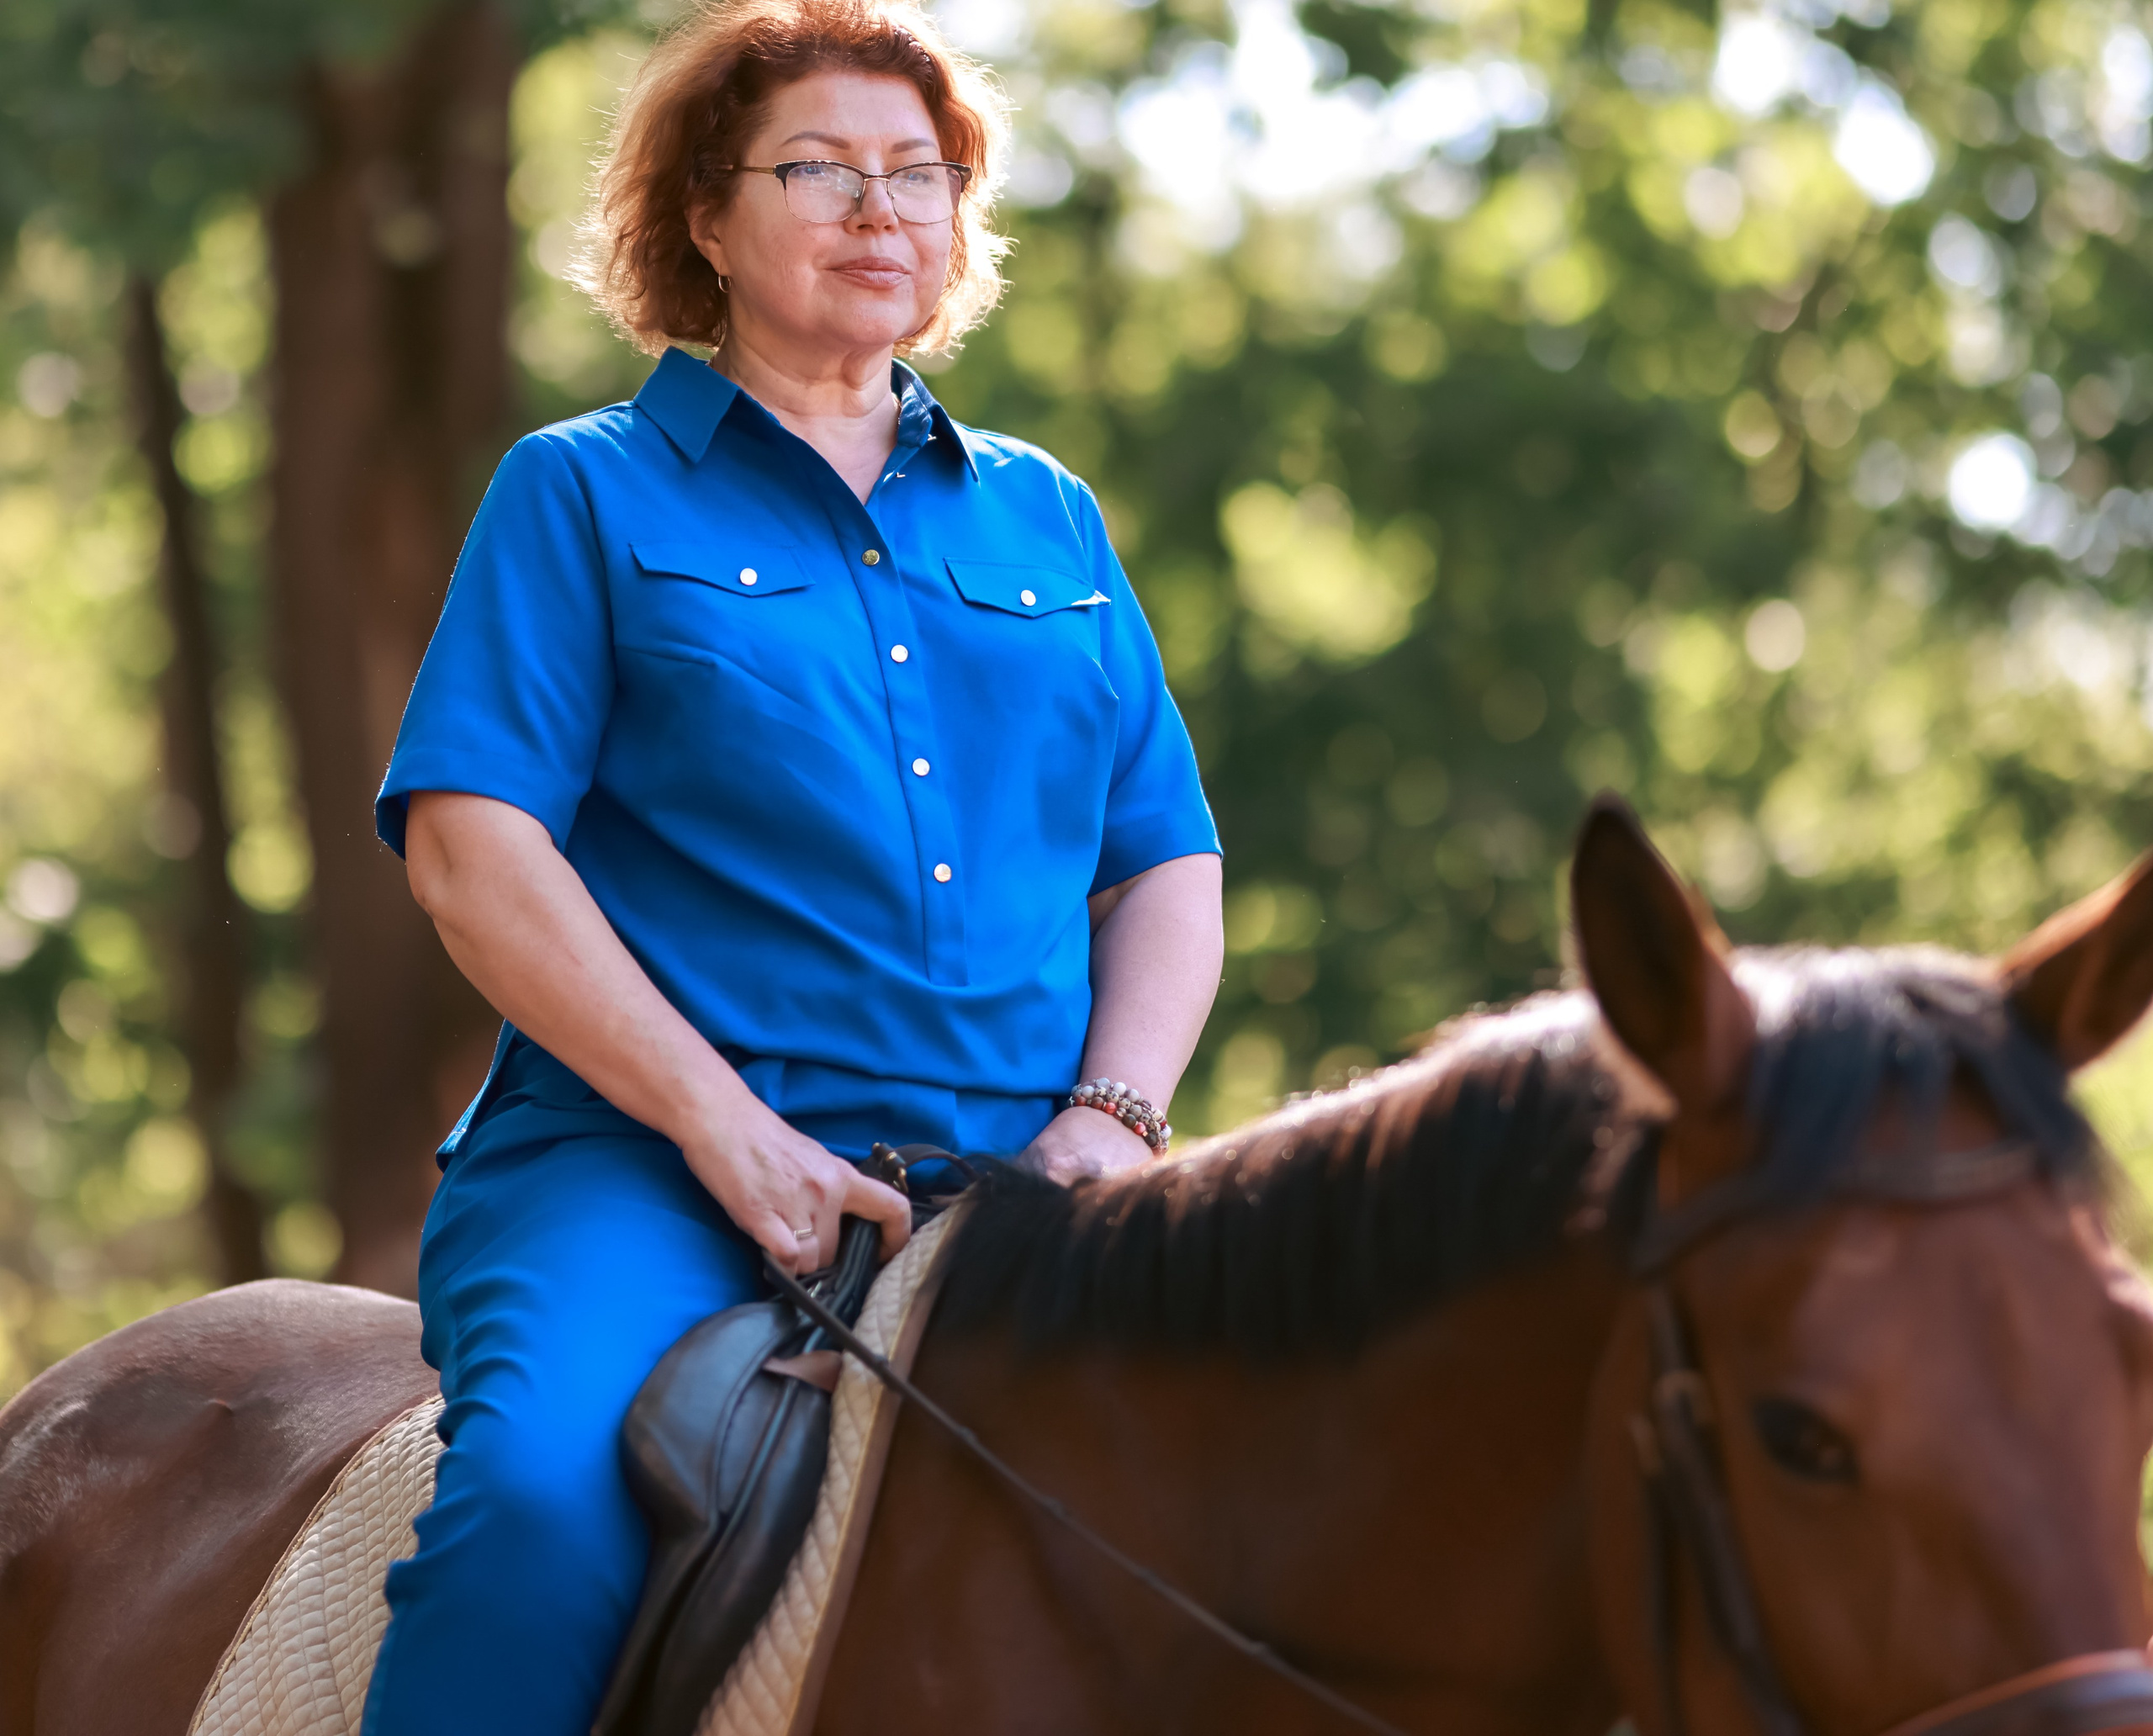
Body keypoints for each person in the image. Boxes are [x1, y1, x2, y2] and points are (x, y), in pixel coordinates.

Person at [358, 0, 1225, 1730]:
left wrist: (1110, 1125)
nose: (879, 212)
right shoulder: (581, 495)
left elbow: (1164, 868)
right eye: (818, 170)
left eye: (920, 174)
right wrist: (722, 1129)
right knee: (539, 1512)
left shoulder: (1046, 516)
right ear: (703, 216)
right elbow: (470, 851)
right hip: (643, 1170)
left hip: (1023, 1186)